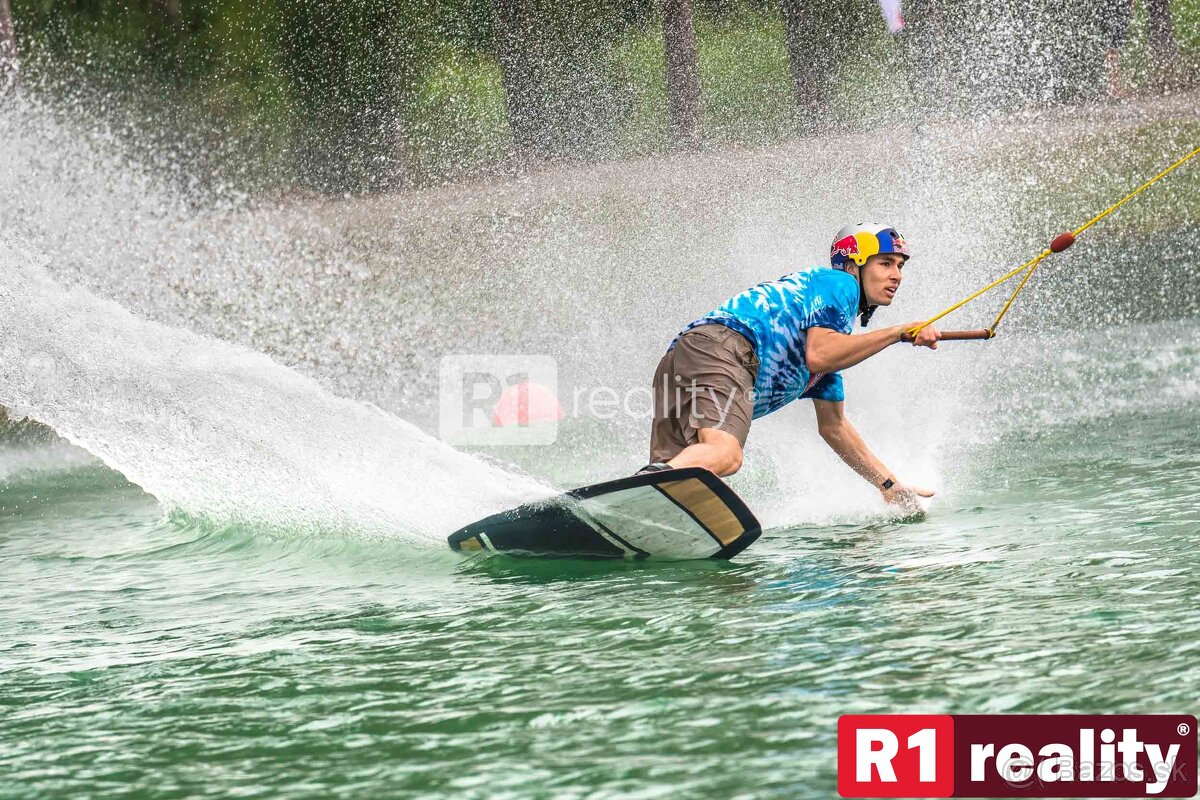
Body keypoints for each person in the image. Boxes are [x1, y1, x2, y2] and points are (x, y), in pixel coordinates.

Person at [642, 223, 942, 511]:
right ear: (854, 265)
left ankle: (633, 511)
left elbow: (834, 427)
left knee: (678, 480)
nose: (896, 275)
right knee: (726, 454)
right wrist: (896, 333)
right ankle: (646, 488)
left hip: (684, 355)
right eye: (885, 263)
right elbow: (820, 354)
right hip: (724, 348)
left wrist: (888, 485)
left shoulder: (823, 338)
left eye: (900, 266)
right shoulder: (841, 284)